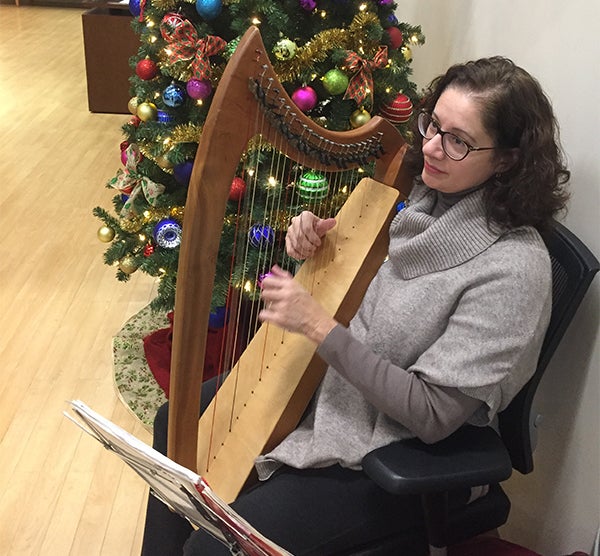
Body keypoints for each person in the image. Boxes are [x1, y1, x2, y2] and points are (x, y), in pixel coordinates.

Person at [141, 56, 569, 555]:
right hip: (338, 397)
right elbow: (374, 290)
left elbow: (431, 415)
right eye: (433, 122)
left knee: (210, 551)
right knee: (175, 423)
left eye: (458, 141)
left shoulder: (513, 270)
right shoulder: (430, 202)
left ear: (508, 160)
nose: (430, 146)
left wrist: (320, 328)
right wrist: (317, 241)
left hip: (395, 455)